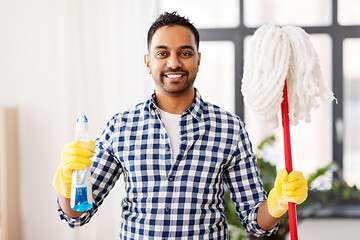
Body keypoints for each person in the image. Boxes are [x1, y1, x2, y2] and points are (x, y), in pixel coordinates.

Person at [52, 11, 308, 239]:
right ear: (148, 61)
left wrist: (277, 202)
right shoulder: (121, 127)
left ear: (198, 59)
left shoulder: (229, 128)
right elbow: (77, 215)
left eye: (184, 53)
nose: (174, 63)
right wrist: (67, 181)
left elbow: (256, 223)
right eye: (162, 53)